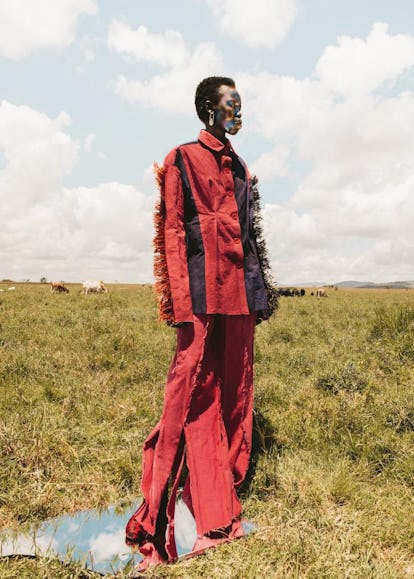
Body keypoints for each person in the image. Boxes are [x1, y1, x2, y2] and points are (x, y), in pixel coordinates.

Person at [125, 76, 277, 572]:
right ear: (208, 110)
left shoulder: (244, 168)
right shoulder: (181, 158)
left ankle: (220, 503)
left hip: (240, 299)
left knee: (236, 394)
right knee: (190, 393)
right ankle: (162, 508)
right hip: (201, 298)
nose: (239, 112)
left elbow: (251, 238)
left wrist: (259, 294)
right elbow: (172, 229)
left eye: (241, 104)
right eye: (231, 104)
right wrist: (178, 305)